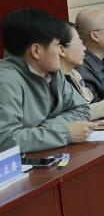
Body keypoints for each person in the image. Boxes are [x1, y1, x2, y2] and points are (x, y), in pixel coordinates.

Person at [0, 8, 94, 153]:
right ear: (36, 51)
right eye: (57, 46)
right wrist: (64, 133)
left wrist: (43, 129)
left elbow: (82, 109)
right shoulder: (6, 81)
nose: (60, 52)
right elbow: (6, 141)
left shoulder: (52, 72)